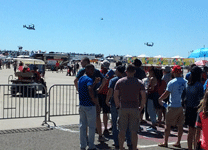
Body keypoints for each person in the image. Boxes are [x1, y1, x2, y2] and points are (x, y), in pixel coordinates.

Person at [74, 57, 107, 142]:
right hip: (94, 95)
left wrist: (79, 90)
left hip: (89, 96)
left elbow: (75, 81)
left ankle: (87, 137)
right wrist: (99, 89)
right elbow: (104, 80)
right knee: (96, 116)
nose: (81, 63)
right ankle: (99, 135)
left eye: (82, 62)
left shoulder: (83, 72)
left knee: (85, 120)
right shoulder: (95, 71)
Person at [114, 64, 146, 150]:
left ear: (126, 72)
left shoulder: (120, 82)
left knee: (122, 130)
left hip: (123, 107)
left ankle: (121, 147)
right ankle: (134, 147)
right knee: (134, 131)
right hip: (134, 107)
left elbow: (116, 95)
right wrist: (141, 106)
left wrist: (117, 106)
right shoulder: (139, 82)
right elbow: (143, 96)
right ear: (134, 72)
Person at [158, 65, 187, 148]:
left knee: (168, 124)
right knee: (180, 125)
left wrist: (160, 99)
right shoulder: (185, 82)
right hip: (182, 106)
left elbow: (166, 94)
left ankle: (165, 142)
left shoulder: (172, 82)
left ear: (173, 72)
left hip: (173, 105)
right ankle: (178, 142)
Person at [106, 65, 132, 150]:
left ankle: (117, 142)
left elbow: (110, 91)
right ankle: (129, 141)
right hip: (124, 103)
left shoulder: (113, 80)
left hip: (114, 103)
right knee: (126, 124)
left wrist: (107, 100)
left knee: (114, 123)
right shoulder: (126, 80)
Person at [78, 64, 100, 150]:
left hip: (82, 104)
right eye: (92, 70)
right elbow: (90, 88)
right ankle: (91, 145)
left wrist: (95, 83)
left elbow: (88, 87)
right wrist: (94, 100)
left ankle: (82, 145)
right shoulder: (89, 79)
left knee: (82, 126)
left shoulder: (81, 78)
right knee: (91, 126)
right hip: (89, 105)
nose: (93, 71)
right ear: (88, 70)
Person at [184, 66, 204, 150]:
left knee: (190, 131)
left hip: (188, 109)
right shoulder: (199, 85)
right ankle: (196, 147)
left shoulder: (187, 84)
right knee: (197, 131)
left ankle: (189, 148)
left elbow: (184, 97)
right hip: (197, 109)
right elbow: (201, 98)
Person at [97, 60, 111, 135]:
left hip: (100, 93)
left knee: (98, 111)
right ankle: (105, 128)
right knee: (105, 112)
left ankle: (97, 126)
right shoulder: (110, 74)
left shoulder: (99, 72)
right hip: (106, 94)